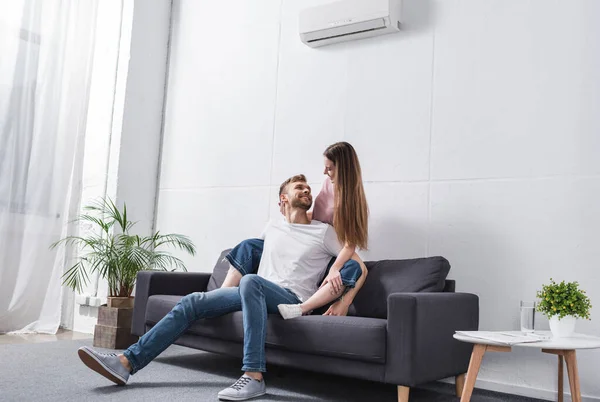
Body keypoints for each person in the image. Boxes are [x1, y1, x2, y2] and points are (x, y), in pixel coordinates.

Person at [77, 174, 359, 401]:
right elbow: (250, 253)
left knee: (252, 281)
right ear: (283, 198)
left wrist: (343, 299)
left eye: (309, 188)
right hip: (253, 292)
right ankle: (126, 362)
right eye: (300, 187)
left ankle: (254, 376)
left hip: (290, 297)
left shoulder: (323, 232)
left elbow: (358, 265)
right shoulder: (271, 228)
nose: (307, 191)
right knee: (192, 301)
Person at [222, 142, 369, 319]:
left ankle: (303, 307)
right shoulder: (327, 184)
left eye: (329, 168)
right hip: (309, 238)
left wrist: (339, 282)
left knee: (358, 267)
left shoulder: (351, 201)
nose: (324, 172)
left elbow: (349, 245)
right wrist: (291, 219)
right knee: (250, 245)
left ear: (342, 168)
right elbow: (316, 214)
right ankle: (221, 295)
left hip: (329, 243)